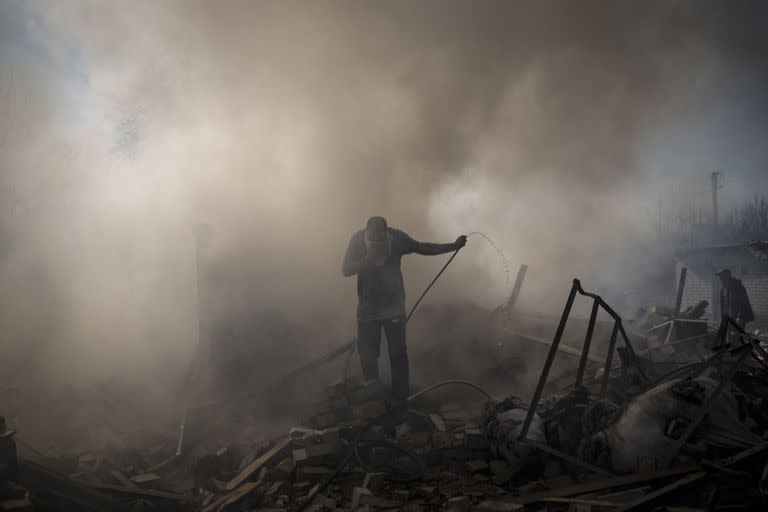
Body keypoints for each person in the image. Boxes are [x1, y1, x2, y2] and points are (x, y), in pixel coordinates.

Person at [342, 216, 466, 402]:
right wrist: (367, 261)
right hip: (367, 311)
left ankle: (400, 399)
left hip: (394, 309)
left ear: (386, 233)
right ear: (367, 235)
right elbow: (346, 269)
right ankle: (372, 397)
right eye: (373, 241)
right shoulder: (357, 240)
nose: (378, 244)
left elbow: (422, 247)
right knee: (368, 354)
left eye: (381, 241)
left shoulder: (397, 238)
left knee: (398, 354)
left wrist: (452, 246)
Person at [716, 268, 754, 332]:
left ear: (727, 277)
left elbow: (743, 303)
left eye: (721, 277)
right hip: (730, 317)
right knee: (730, 333)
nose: (720, 280)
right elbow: (723, 305)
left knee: (736, 334)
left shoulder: (737, 286)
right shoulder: (723, 289)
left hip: (740, 316)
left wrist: (739, 319)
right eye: (720, 277)